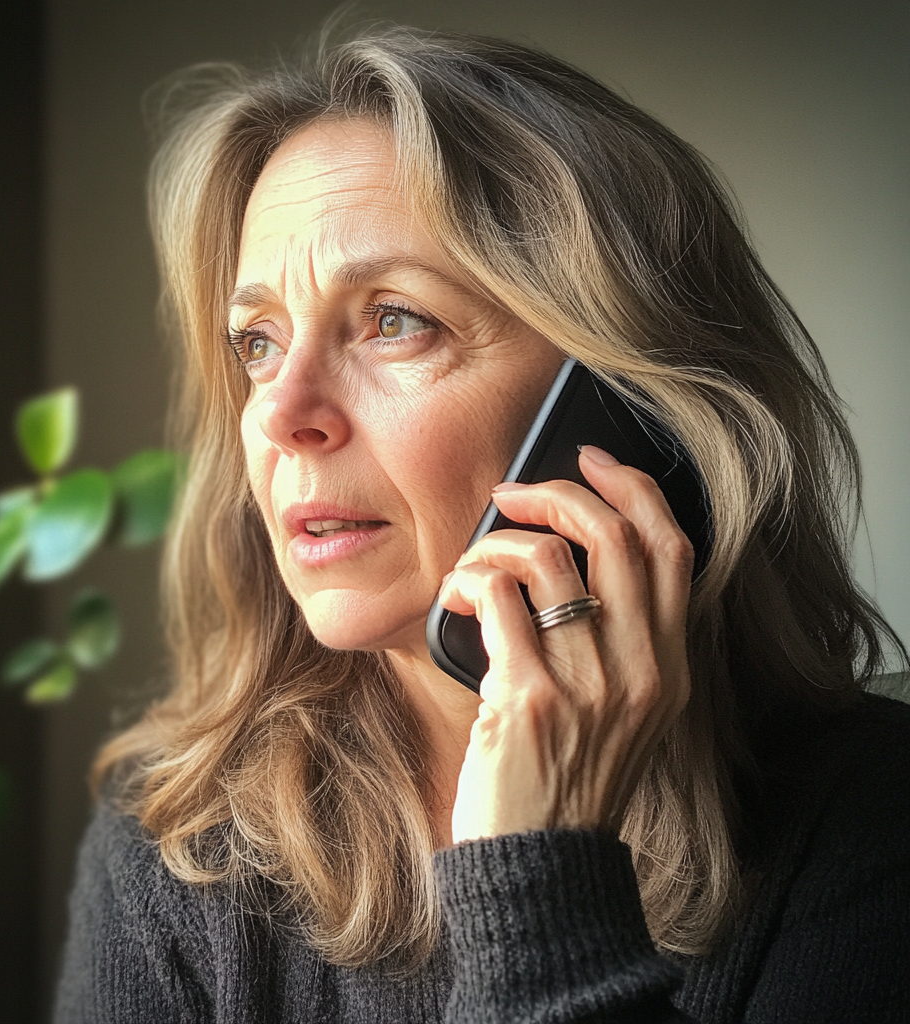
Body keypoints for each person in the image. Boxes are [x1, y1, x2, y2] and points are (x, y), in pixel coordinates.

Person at [54, 27, 910, 1023]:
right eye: (257, 340)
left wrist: (538, 878)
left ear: (629, 411)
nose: (282, 415)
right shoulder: (178, 846)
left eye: (393, 320)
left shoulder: (869, 819)